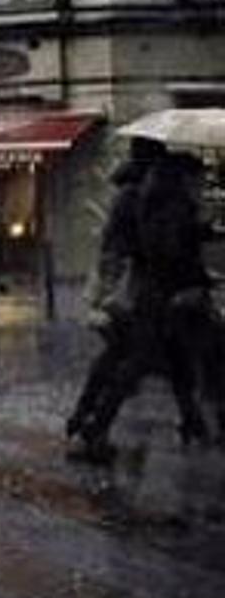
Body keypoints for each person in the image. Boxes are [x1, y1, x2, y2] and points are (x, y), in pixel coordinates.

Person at [71, 151, 220, 460]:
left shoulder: (158, 200)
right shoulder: (168, 204)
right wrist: (195, 281)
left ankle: (193, 423)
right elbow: (168, 251)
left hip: (158, 296)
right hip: (164, 298)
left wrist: (202, 229)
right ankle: (93, 427)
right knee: (134, 366)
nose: (202, 183)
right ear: (185, 177)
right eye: (199, 177)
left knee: (175, 363)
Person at [65, 139, 160, 440]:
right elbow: (139, 243)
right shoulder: (136, 197)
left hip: (117, 284)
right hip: (129, 287)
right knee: (134, 357)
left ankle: (85, 413)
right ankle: (97, 422)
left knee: (118, 353)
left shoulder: (127, 192)